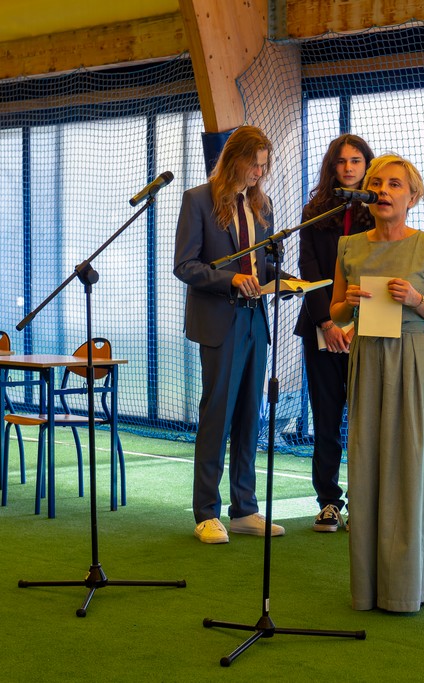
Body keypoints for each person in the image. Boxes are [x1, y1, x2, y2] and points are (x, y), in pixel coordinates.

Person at [329, 154, 424, 612]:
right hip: (367, 359)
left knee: (411, 467)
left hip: (413, 360)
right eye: (377, 183)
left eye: (395, 185)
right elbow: (336, 314)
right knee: (366, 466)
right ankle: (368, 589)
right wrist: (346, 303)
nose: (383, 191)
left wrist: (418, 299)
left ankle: (405, 589)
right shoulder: (349, 247)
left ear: (413, 196)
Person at [173, 125, 288, 544]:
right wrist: (231, 280)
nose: (259, 172)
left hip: (256, 320)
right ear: (233, 159)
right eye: (253, 164)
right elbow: (185, 265)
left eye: (264, 165)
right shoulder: (198, 200)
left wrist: (285, 281)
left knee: (249, 416)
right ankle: (206, 512)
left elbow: (263, 266)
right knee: (217, 415)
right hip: (221, 321)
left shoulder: (263, 204)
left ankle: (244, 509)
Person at [294, 134, 375, 533]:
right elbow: (309, 272)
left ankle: (364, 502)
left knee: (365, 420)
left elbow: (381, 269)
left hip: (367, 330)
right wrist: (327, 323)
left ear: (367, 165)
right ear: (331, 167)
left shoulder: (378, 211)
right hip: (320, 329)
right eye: (341, 161)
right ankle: (328, 503)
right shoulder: (313, 213)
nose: (348, 168)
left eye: (356, 161)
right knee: (326, 420)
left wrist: (355, 325)